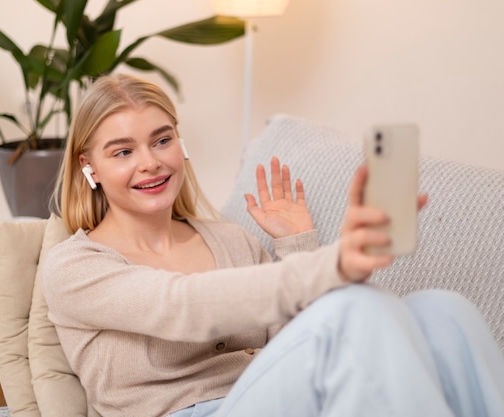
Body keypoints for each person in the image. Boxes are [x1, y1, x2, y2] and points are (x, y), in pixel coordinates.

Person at [42, 73, 504, 417]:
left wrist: (299, 244)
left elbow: (303, 343)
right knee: (355, 311)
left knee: (444, 310)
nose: (150, 162)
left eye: (162, 140)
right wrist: (333, 263)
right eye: (123, 151)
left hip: (264, 401)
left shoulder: (230, 239)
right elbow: (183, 305)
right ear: (90, 167)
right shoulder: (75, 266)